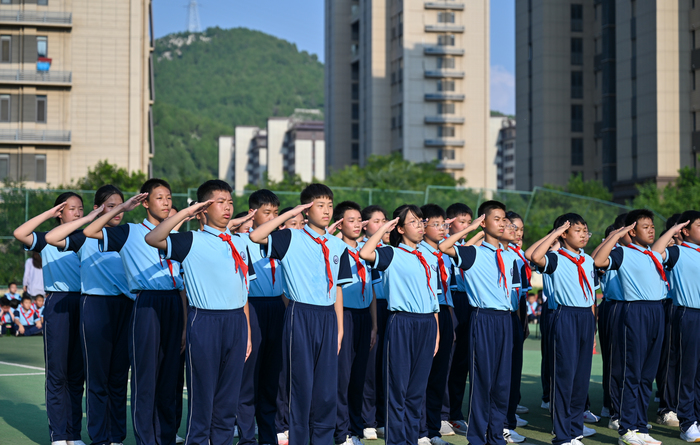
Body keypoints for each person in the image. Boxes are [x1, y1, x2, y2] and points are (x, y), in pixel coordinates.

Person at [145, 179, 254, 445]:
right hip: (205, 321)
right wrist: (184, 213)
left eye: (230, 202)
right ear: (204, 208)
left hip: (237, 322)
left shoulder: (240, 242)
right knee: (203, 397)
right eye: (220, 202)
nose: (228, 208)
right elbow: (153, 238)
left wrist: (248, 332)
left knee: (228, 399)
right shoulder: (190, 240)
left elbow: (243, 291)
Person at [83, 178, 186, 445]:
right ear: (145, 202)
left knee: (169, 376)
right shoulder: (129, 231)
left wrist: (185, 323)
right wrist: (122, 208)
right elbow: (90, 231)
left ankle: (166, 436)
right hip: (147, 303)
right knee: (145, 377)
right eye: (160, 197)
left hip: (175, 302)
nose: (166, 202)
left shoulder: (176, 235)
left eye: (169, 197)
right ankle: (146, 439)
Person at [249, 184, 353, 445]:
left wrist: (339, 327)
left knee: (327, 390)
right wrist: (289, 214)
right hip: (300, 314)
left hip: (329, 317)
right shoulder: (290, 238)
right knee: (301, 387)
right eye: (320, 205)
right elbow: (256, 236)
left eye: (330, 205)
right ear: (306, 210)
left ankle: (323, 440)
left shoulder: (337, 245)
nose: (327, 210)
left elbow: (338, 289)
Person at [45, 184, 135, 445]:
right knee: (97, 377)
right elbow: (51, 238)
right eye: (111, 205)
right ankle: (99, 437)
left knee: (119, 377)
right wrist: (89, 218)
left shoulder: (128, 235)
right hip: (95, 307)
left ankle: (117, 436)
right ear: (98, 208)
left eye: (121, 205)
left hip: (126, 309)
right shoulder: (85, 237)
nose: (117, 211)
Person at [358, 205, 444, 445]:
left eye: (420, 221)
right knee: (398, 389)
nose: (420, 226)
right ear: (400, 228)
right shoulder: (391, 253)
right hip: (402, 322)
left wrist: (435, 331)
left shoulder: (429, 256)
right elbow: (365, 253)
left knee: (417, 391)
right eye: (414, 222)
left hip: (427, 323)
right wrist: (385, 227)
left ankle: (411, 439)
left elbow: (433, 298)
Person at [439, 200, 519, 445]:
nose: (503, 223)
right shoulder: (473, 252)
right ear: (484, 222)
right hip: (483, 318)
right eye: (496, 218)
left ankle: (496, 436)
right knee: (482, 380)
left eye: (504, 219)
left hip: (505, 319)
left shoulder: (510, 256)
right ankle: (476, 437)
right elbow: (444, 245)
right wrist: (472, 228)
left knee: (502, 382)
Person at [13, 192, 85, 445]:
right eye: (71, 208)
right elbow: (20, 233)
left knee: (78, 375)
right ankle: (59, 435)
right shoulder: (46, 240)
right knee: (58, 373)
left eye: (80, 208)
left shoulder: (90, 238)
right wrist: (48, 214)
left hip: (85, 304)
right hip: (58, 304)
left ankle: (74, 435)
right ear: (60, 212)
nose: (77, 213)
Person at [593, 209, 666, 445]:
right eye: (646, 226)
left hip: (656, 311)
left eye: (652, 226)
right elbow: (598, 261)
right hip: (634, 312)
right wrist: (617, 234)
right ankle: (625, 429)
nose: (652, 229)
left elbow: (663, 245)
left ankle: (640, 426)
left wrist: (673, 229)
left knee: (647, 376)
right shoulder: (622, 252)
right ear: (632, 231)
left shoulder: (652, 254)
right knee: (630, 373)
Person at [530, 214, 598, 445]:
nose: (583, 235)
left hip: (585, 319)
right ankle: (562, 435)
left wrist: (592, 326)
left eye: (585, 231)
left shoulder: (588, 260)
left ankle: (575, 428)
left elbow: (591, 296)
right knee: (564, 377)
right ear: (564, 234)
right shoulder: (555, 258)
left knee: (581, 378)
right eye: (577, 231)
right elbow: (534, 256)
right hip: (565, 315)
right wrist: (554, 234)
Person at [236, 189, 287, 445]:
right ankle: (247, 437)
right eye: (267, 213)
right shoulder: (241, 242)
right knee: (249, 379)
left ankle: (268, 436)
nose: (273, 218)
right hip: (252, 309)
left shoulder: (281, 242)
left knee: (272, 378)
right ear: (252, 214)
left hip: (277, 309)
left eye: (276, 214)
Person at [652, 210, 700, 442]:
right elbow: (654, 252)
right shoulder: (677, 252)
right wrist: (673, 230)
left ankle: (698, 418)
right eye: (699, 225)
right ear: (686, 231)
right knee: (687, 371)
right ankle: (688, 421)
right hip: (687, 314)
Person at [332, 201, 377, 445]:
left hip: (363, 317)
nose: (358, 224)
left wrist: (373, 325)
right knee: (342, 378)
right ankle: (341, 432)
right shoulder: (334, 249)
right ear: (339, 223)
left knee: (359, 376)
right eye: (351, 220)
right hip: (344, 316)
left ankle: (355, 425)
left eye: (360, 220)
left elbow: (369, 289)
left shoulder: (366, 250)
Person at [417, 203, 456, 445]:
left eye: (444, 224)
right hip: (424, 313)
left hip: (445, 311)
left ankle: (433, 429)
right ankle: (419, 429)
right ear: (423, 226)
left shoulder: (446, 254)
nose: (442, 229)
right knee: (422, 375)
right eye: (437, 224)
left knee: (439, 375)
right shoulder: (418, 252)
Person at [444, 202, 477, 436]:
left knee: (462, 362)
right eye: (462, 222)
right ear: (449, 222)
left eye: (469, 222)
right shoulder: (441, 243)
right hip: (449, 301)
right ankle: (441, 414)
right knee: (446, 360)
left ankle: (455, 413)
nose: (467, 226)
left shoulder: (468, 246)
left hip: (468, 301)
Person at [360, 204, 390, 440]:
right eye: (376, 221)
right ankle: (367, 419)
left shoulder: (392, 250)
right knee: (369, 366)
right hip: (371, 307)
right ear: (365, 225)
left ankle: (382, 417)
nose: (382, 225)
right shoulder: (362, 249)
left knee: (386, 366)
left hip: (391, 309)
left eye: (384, 220)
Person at [501, 212, 532, 444]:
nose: (518, 233)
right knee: (498, 374)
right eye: (513, 227)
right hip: (496, 316)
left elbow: (520, 295)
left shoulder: (519, 255)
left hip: (515, 315)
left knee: (513, 372)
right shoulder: (496, 253)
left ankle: (508, 420)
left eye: (521, 229)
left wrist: (522, 324)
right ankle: (499, 423)